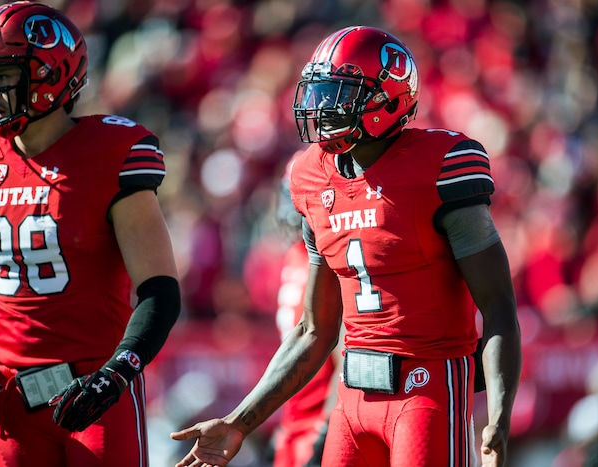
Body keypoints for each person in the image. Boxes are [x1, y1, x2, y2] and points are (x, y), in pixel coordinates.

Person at [172, 25, 521, 467]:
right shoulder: (311, 177)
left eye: (339, 94)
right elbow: (314, 331)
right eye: (319, 93)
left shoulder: (440, 168)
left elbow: (499, 308)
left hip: (426, 389)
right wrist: (239, 421)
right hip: (352, 399)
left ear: (387, 98)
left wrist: (498, 418)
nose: (321, 108)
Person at [0, 2, 180, 466]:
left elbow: (159, 291)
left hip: (94, 393)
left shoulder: (110, 152)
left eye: (3, 76)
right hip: (10, 402)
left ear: (47, 77)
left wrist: (118, 373)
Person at [271, 157, 340, 467]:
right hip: (294, 429)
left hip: (321, 433)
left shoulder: (336, 261)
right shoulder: (296, 256)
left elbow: (346, 360)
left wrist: (326, 433)